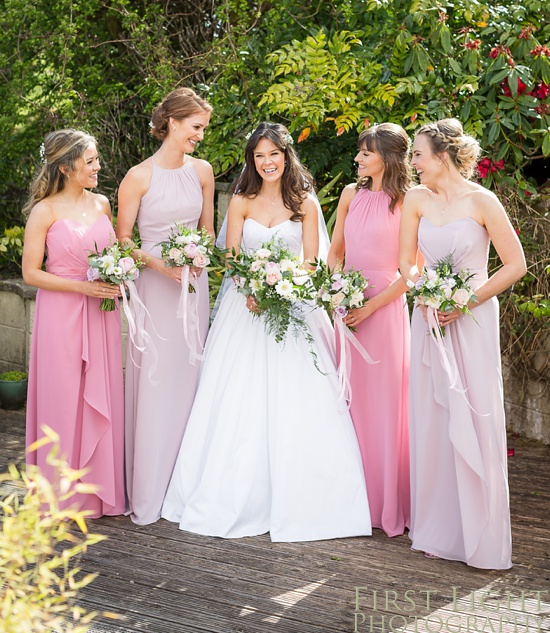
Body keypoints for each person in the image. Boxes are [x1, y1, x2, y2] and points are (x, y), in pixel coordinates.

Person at [161, 122, 371, 542]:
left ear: (286, 155)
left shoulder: (306, 203)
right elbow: (233, 259)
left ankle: (309, 500)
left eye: (273, 154)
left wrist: (285, 287)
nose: (267, 162)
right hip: (246, 309)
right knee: (238, 396)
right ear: (251, 161)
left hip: (293, 307)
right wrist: (252, 288)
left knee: (300, 396)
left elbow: (312, 263)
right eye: (259, 156)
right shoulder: (240, 200)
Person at [399, 118, 526, 568]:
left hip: (471, 319)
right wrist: (424, 292)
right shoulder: (415, 199)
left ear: (442, 156)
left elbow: (516, 265)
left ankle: (480, 533)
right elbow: (406, 262)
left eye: (417, 154)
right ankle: (437, 529)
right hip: (429, 319)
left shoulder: (483, 201)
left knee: (475, 411)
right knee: (433, 416)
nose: (413, 162)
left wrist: (466, 299)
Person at [117, 87, 215, 526]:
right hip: (155, 289)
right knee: (156, 381)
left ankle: (185, 485)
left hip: (194, 287)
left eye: (202, 129)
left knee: (190, 376)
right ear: (173, 123)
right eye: (196, 127)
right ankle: (149, 486)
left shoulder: (204, 172)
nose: (199, 136)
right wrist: (158, 263)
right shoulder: (138, 176)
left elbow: (209, 232)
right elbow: (122, 241)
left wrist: (198, 256)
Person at [23, 129, 125, 517]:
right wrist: (81, 288)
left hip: (100, 315)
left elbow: (114, 252)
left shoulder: (102, 204)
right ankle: (59, 498)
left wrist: (119, 273)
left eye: (97, 159)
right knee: (62, 400)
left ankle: (95, 495)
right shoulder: (44, 211)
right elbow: (30, 273)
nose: (98, 167)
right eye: (91, 162)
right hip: (61, 314)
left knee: (99, 396)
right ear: (66, 167)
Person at [327, 123, 411, 537]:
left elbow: (414, 272)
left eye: (365, 153)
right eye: (359, 153)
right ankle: (352, 499)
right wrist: (336, 292)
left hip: (386, 308)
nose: (358, 159)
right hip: (349, 308)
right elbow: (336, 253)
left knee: (386, 404)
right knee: (351, 402)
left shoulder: (409, 202)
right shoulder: (350, 195)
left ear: (388, 158)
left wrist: (373, 305)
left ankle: (388, 503)